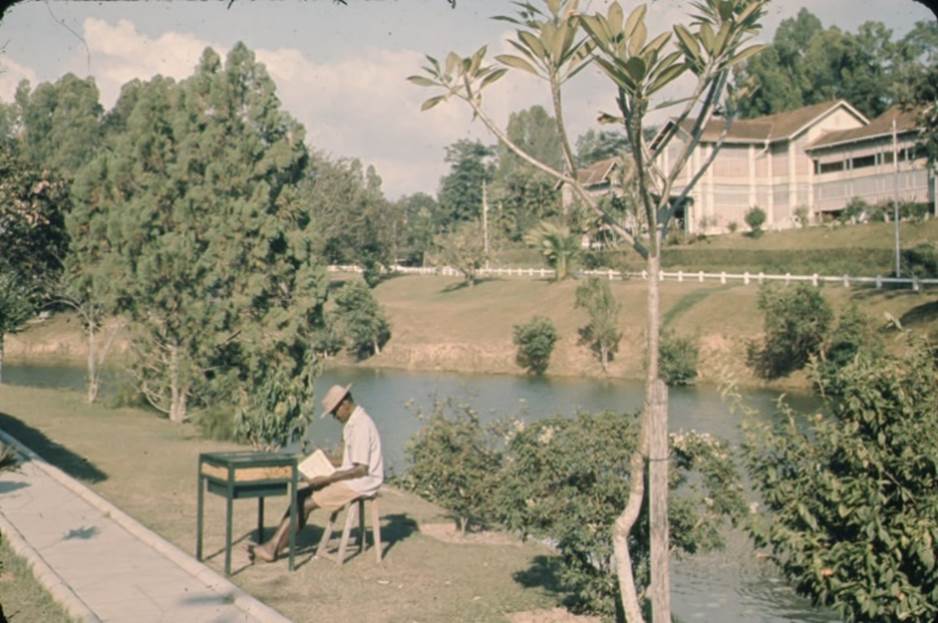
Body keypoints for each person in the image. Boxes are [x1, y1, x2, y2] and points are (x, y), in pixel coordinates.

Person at [248, 383, 383, 563]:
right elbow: (347, 461)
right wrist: (319, 461)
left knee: (306, 503)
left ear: (345, 403)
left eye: (335, 412)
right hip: (352, 478)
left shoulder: (360, 425)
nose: (334, 417)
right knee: (301, 495)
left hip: (361, 482)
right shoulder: (352, 423)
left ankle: (272, 548)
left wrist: (327, 478)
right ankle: (274, 546)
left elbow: (361, 469)